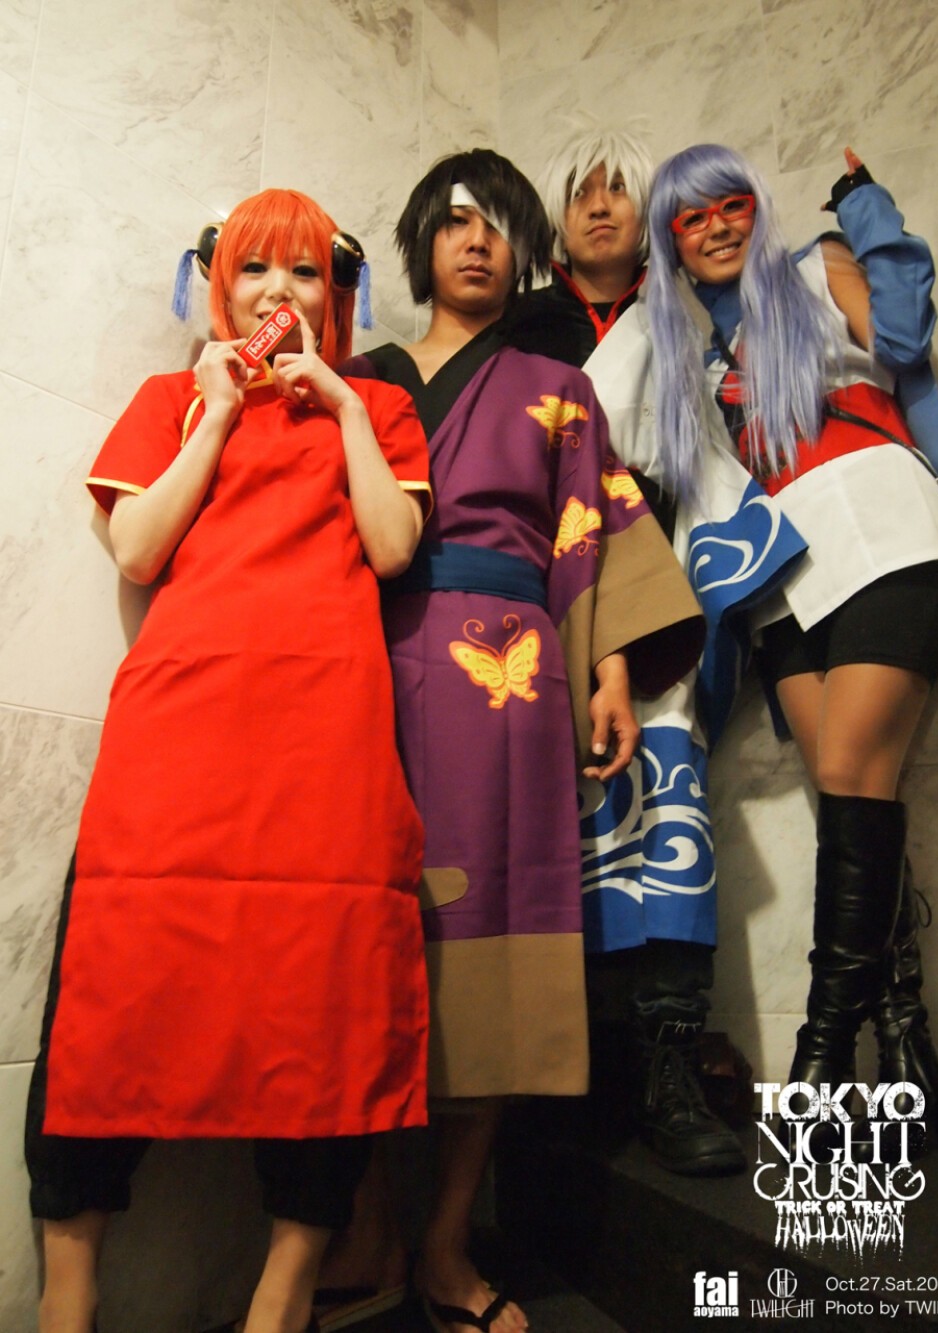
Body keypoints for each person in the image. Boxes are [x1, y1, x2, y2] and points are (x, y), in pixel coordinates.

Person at [24, 188, 432, 1333]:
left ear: (334, 297)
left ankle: (281, 1296)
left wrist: (341, 405)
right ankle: (66, 1300)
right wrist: (212, 415)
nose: (277, 294)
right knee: (110, 987)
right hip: (179, 734)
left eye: (304, 273)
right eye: (255, 269)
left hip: (328, 743)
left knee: (325, 999)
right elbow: (138, 548)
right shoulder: (170, 399)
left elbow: (393, 546)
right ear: (218, 286)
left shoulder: (380, 407)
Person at [330, 148, 704, 1333]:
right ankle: (369, 1228)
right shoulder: (361, 381)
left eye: (497, 221)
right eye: (453, 220)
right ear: (418, 244)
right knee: (359, 949)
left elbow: (591, 528)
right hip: (361, 665)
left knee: (488, 951)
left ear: (524, 249)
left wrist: (609, 671)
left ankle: (445, 1242)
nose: (476, 239)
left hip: (506, 677)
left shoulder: (557, 385)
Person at [643, 143, 938, 1153]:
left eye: (730, 205)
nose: (716, 227)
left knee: (850, 772)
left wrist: (868, 212)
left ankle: (821, 1062)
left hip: (880, 524)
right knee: (851, 797)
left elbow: (904, 335)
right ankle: (907, 1042)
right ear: (672, 245)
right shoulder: (689, 355)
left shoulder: (814, 268)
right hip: (779, 574)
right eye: (691, 219)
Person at [511, 121, 766, 1178]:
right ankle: (567, 1083)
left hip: (655, 584)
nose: (600, 205)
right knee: (542, 822)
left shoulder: (692, 314)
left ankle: (666, 1070)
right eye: (582, 191)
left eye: (619, 188)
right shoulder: (521, 324)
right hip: (540, 588)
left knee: (667, 814)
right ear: (557, 218)